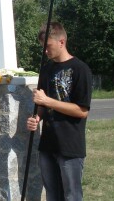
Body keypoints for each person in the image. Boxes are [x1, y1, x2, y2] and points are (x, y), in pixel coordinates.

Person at [26, 22, 92, 201]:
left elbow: (82, 110)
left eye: (48, 46)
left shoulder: (80, 70)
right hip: (47, 144)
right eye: (43, 47)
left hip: (69, 145)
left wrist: (47, 101)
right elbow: (42, 101)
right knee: (52, 195)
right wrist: (36, 117)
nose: (45, 51)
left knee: (71, 196)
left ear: (61, 42)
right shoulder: (46, 69)